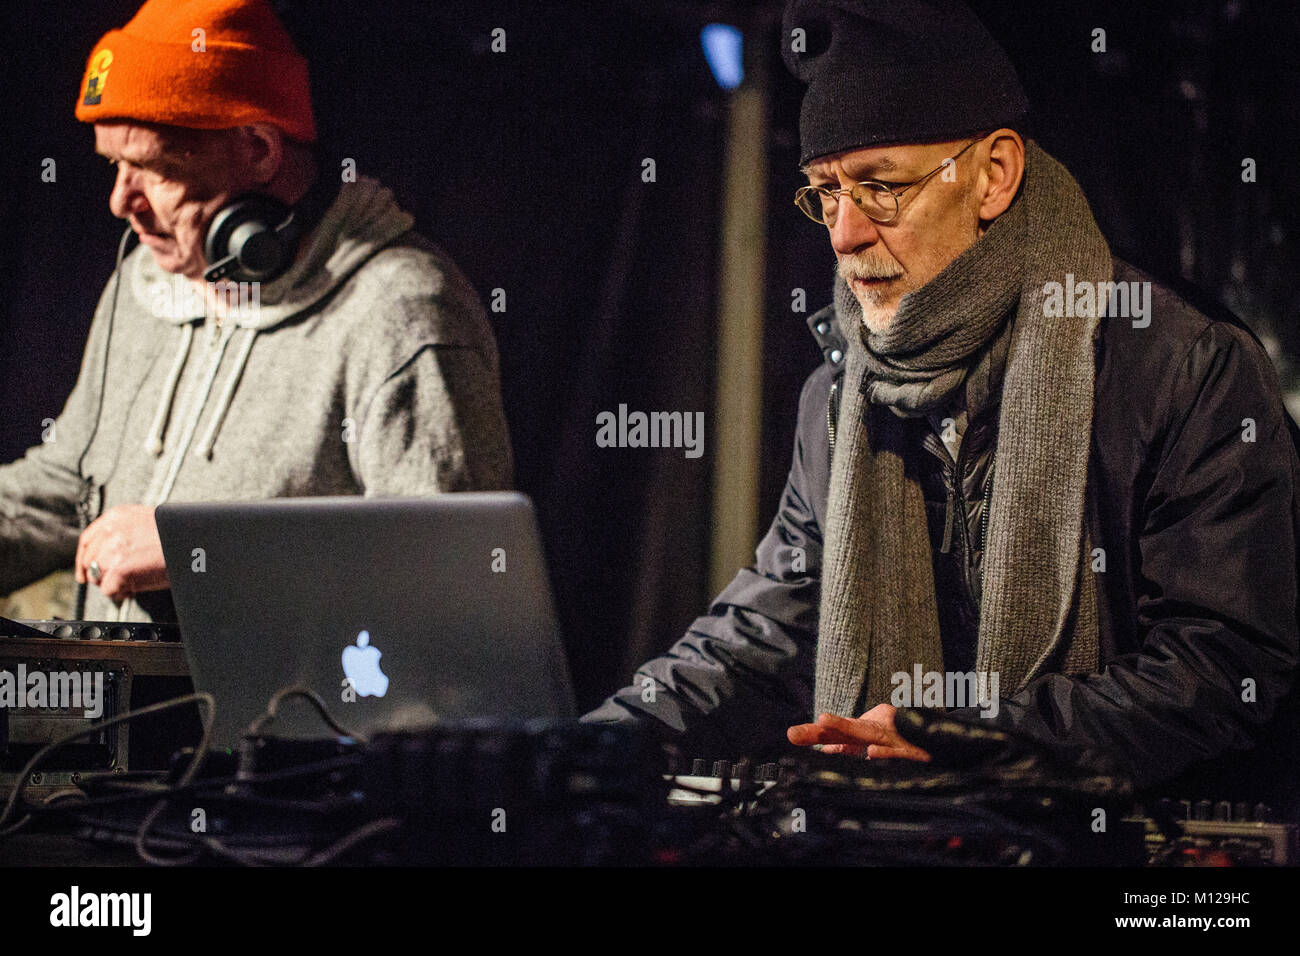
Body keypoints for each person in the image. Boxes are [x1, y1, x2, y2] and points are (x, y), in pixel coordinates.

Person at [585, 0, 1300, 802]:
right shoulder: (837, 395)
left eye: (881, 187)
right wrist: (594, 748)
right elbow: (768, 630)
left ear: (993, 175)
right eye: (825, 192)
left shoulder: (1183, 365)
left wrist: (979, 742)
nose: (845, 233)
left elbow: (1225, 663)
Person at [0, 0, 512, 623]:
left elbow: (453, 564)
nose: (119, 202)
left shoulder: (400, 313)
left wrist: (199, 548)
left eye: (153, 168)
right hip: (123, 718)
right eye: (115, 165)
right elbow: (64, 488)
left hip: (294, 718)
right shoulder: (147, 282)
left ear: (260, 149)